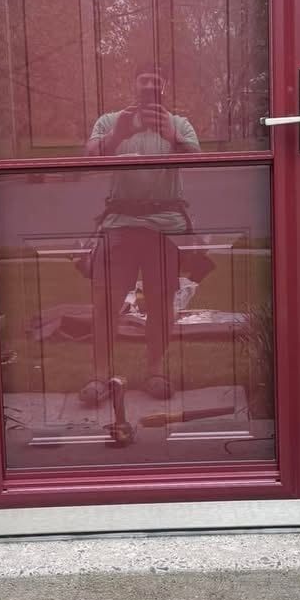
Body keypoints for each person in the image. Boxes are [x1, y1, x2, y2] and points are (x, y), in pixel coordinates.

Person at [79, 65, 201, 405]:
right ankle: (100, 375)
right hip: (119, 223)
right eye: (144, 80)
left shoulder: (179, 123)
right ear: (133, 85)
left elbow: (200, 161)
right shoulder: (110, 122)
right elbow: (88, 159)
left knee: (161, 303)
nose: (149, 86)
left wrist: (172, 138)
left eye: (156, 80)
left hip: (166, 226)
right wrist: (117, 136)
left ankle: (156, 370)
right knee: (106, 303)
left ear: (165, 86)